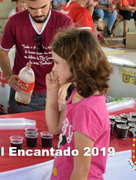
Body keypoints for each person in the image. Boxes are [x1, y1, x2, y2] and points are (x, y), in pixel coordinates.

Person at [0, 0, 74, 113]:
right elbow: (2, 51)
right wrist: (9, 76)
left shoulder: (64, 23)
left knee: (54, 132)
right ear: (25, 2)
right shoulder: (15, 22)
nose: (38, 13)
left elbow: (74, 58)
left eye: (43, 7)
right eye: (32, 8)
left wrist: (66, 85)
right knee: (20, 132)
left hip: (55, 90)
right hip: (23, 91)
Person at [45, 29, 111, 179]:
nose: (53, 68)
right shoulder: (78, 93)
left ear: (77, 64)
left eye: (56, 63)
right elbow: (54, 127)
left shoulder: (86, 109)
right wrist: (52, 91)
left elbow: (81, 171)